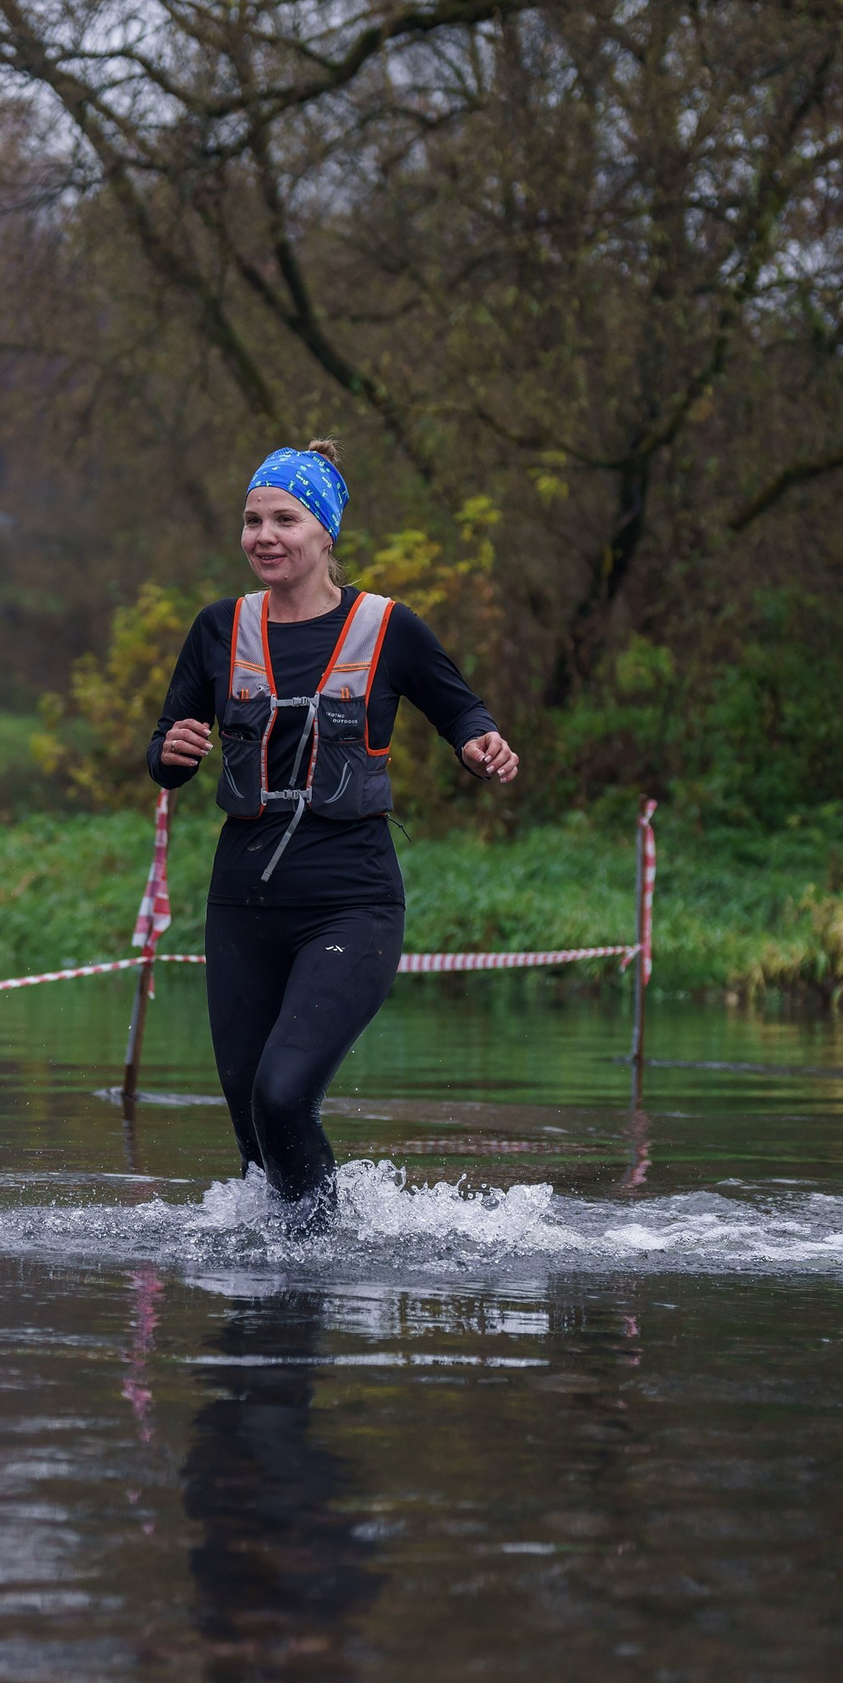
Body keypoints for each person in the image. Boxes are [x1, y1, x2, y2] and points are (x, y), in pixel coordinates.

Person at [146, 441, 519, 1223]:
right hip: (242, 906)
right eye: (251, 520)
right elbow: (167, 753)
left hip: (351, 903)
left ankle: (325, 1251)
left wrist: (480, 742)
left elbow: (461, 710)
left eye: (284, 518)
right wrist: (170, 751)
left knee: (283, 1096)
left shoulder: (388, 626)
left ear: (325, 535)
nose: (263, 535)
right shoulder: (218, 628)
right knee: (254, 1129)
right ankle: (285, 1306)